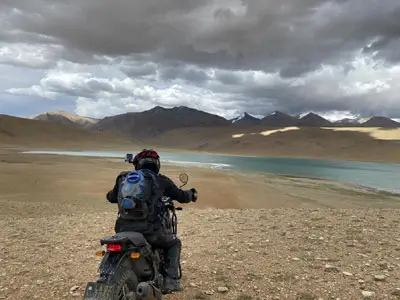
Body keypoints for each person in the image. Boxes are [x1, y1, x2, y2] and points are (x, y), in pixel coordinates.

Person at [106, 149, 198, 293]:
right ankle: (171, 281)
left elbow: (111, 197)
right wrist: (192, 194)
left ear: (137, 164)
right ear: (157, 164)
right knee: (174, 243)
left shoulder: (123, 179)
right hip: (150, 232)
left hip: (122, 230)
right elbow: (181, 196)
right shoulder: (161, 180)